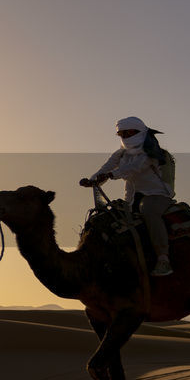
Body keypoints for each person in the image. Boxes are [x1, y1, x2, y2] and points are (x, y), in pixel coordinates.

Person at [80, 116, 174, 276]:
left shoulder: (150, 152)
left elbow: (135, 167)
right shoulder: (121, 154)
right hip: (131, 198)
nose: (126, 137)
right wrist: (93, 179)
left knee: (149, 212)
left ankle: (163, 259)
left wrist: (111, 175)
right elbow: (107, 167)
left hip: (156, 195)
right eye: (123, 134)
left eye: (129, 133)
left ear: (140, 132)